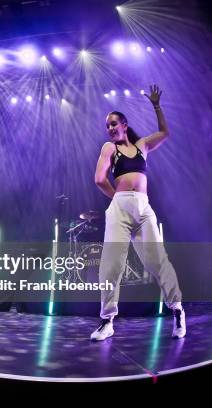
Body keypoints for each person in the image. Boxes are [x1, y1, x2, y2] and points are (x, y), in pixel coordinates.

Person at [90, 84, 185, 341]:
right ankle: (107, 321)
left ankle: (177, 309)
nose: (109, 128)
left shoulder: (142, 145)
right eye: (107, 126)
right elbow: (99, 179)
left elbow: (165, 132)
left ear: (124, 124)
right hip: (120, 207)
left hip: (144, 208)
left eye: (113, 124)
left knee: (157, 261)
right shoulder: (109, 148)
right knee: (111, 265)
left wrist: (156, 105)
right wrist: (119, 197)